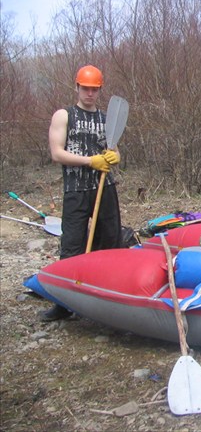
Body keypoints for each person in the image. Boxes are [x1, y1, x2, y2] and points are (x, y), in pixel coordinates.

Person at [41, 65, 123, 321]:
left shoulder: (106, 118)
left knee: (110, 243)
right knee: (72, 246)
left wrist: (114, 157)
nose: (90, 93)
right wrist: (90, 161)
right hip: (76, 190)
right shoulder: (64, 115)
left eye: (94, 89)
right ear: (77, 87)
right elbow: (57, 153)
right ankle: (64, 303)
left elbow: (115, 150)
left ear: (99, 90)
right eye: (85, 88)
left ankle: (107, 298)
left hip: (104, 187)